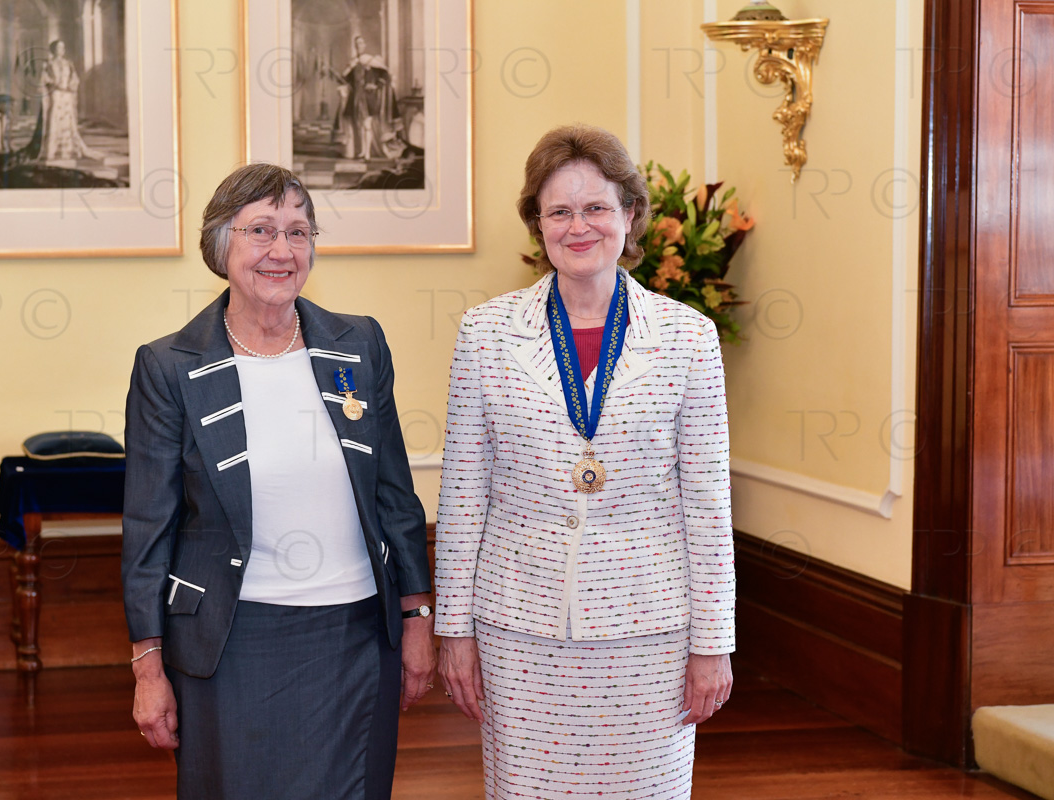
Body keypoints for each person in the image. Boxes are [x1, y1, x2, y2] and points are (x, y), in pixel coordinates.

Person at [435, 124, 736, 799]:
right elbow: (463, 493)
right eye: (559, 211)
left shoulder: (688, 337)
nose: (579, 227)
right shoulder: (486, 333)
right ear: (537, 224)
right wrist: (454, 631)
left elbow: (708, 503)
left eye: (596, 207)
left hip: (649, 632)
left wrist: (714, 642)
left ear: (630, 215)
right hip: (519, 628)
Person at [122, 163, 436, 800]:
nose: (282, 250)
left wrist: (417, 617)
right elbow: (148, 529)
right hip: (231, 642)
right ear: (221, 245)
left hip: (356, 636)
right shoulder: (169, 366)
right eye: (261, 230)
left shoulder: (359, 344)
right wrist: (147, 667)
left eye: (298, 231)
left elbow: (394, 495)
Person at [334, 35, 403, 161]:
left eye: (361, 43)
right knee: (360, 125)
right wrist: (350, 67)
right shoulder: (354, 62)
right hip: (356, 99)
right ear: (355, 46)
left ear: (364, 45)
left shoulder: (370, 60)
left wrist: (376, 85)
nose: (359, 46)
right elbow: (344, 79)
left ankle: (367, 153)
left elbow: (385, 74)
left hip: (369, 98)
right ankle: (362, 151)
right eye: (357, 44)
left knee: (367, 125)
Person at [36, 40, 100, 162]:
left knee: (67, 119)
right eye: (58, 47)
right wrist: (53, 83)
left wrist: (70, 85)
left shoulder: (68, 64)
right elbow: (43, 79)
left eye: (62, 47)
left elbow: (75, 78)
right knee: (55, 118)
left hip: (66, 95)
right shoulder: (48, 64)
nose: (61, 50)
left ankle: (67, 150)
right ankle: (52, 150)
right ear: (53, 49)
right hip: (55, 94)